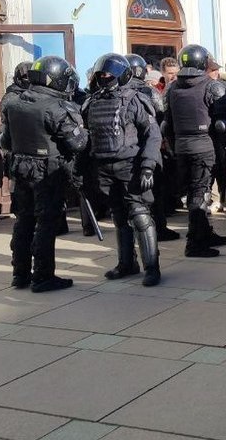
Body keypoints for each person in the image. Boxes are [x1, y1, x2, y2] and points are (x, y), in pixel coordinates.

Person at [0, 56, 88, 292]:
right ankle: (43, 276)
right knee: (46, 223)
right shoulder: (55, 107)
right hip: (47, 171)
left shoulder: (14, 102)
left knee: (23, 221)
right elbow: (77, 143)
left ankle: (20, 274)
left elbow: (5, 140)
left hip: (20, 169)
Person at [83, 52, 164, 287]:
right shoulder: (92, 101)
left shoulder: (135, 99)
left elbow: (152, 135)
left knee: (139, 214)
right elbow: (87, 138)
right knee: (119, 217)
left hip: (130, 166)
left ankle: (152, 267)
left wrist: (148, 166)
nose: (105, 77)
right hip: (104, 167)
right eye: (102, 74)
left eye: (109, 74)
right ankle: (126, 263)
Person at [162, 44, 226, 258]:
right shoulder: (211, 87)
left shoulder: (172, 88)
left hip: (182, 148)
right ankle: (195, 243)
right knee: (199, 194)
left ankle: (205, 233)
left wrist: (174, 146)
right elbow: (222, 123)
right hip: (204, 146)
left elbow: (166, 125)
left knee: (197, 192)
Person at [124, 53, 177, 241]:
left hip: (128, 151)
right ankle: (158, 228)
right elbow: (161, 114)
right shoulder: (149, 92)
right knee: (155, 191)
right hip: (151, 147)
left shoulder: (117, 93)